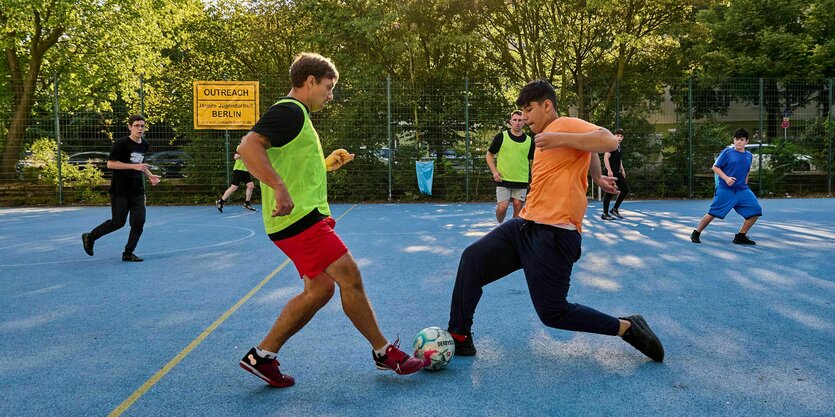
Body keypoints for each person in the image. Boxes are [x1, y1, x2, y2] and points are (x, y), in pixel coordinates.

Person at [235, 52, 425, 388]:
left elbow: (291, 164)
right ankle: (383, 352)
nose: (330, 94)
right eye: (328, 86)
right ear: (309, 82)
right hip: (299, 220)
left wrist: (325, 166)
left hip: (298, 219)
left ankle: (262, 357)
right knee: (349, 274)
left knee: (320, 289)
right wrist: (278, 187)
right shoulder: (290, 110)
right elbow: (248, 147)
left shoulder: (297, 116)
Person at [447, 79, 664, 362]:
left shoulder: (563, 126)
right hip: (524, 225)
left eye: (529, 109)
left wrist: (559, 139)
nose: (524, 117)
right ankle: (459, 336)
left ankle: (626, 328)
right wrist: (596, 176)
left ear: (547, 105)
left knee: (553, 313)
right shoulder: (544, 136)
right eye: (521, 112)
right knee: (472, 259)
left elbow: (607, 140)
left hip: (555, 234)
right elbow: (589, 151)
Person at [81, 115, 161, 262]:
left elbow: (140, 163)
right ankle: (90, 236)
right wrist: (133, 166)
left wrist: (150, 176)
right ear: (130, 127)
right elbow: (110, 164)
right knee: (118, 222)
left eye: (142, 126)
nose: (140, 128)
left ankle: (128, 252)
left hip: (137, 190)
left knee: (138, 222)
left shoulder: (145, 144)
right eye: (136, 125)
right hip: (120, 190)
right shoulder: (121, 143)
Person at [690, 128, 762, 245]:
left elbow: (747, 171)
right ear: (733, 140)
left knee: (756, 211)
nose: (739, 142)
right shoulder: (727, 152)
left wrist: (745, 185)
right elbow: (715, 167)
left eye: (742, 140)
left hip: (742, 190)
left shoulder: (749, 155)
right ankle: (696, 232)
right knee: (713, 213)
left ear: (746, 141)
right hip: (725, 189)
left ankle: (740, 236)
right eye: (737, 139)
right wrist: (727, 178)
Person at [486, 110, 535, 223]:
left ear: (524, 122)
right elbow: (489, 154)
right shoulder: (501, 137)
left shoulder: (529, 141)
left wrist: (534, 177)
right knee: (502, 208)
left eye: (520, 120)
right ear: (510, 122)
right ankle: (500, 225)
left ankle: (513, 232)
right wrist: (494, 171)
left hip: (521, 179)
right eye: (515, 120)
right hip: (503, 178)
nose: (517, 122)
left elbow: (532, 160)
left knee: (518, 206)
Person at [601, 128, 629, 220]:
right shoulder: (611, 145)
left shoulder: (619, 147)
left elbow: (619, 160)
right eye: (617, 135)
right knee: (609, 192)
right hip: (610, 172)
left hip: (617, 172)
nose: (619, 137)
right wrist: (609, 170)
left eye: (621, 136)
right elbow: (606, 157)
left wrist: (623, 170)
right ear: (613, 136)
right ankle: (604, 213)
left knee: (625, 190)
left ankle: (614, 209)